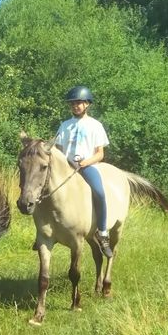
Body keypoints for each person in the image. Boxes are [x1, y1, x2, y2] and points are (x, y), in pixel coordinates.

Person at [54, 85, 114, 258]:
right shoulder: (64, 125)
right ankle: (44, 232)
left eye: (79, 103)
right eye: (72, 103)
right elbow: (58, 150)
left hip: (87, 167)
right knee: (45, 189)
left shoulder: (95, 126)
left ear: (87, 104)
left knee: (100, 193)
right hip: (66, 167)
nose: (75, 106)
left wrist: (85, 163)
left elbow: (100, 154)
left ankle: (102, 234)